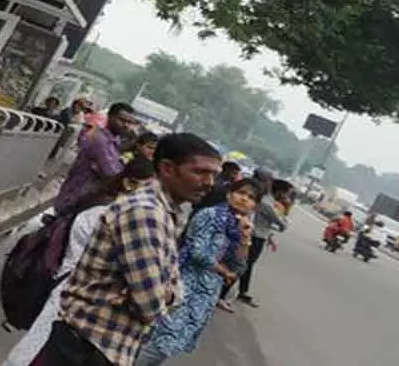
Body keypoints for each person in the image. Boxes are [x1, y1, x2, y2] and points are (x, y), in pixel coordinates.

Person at [31, 133, 222, 366]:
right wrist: (164, 291)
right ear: (168, 169)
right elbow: (150, 305)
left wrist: (160, 290)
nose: (209, 183)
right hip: (87, 348)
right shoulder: (145, 214)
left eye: (214, 175)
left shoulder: (164, 213)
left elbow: (169, 288)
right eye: (200, 172)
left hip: (99, 345)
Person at [133, 179, 262, 366]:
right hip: (186, 284)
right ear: (229, 194)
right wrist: (222, 270)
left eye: (251, 198)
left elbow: (239, 267)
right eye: (241, 193)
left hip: (205, 295)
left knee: (169, 343)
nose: (244, 199)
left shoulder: (239, 228)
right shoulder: (210, 215)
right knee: (161, 342)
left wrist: (244, 239)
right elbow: (197, 251)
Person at [3, 176, 128, 366]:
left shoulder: (100, 206)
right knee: (37, 345)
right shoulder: (105, 216)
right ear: (128, 184)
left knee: (35, 344)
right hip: (70, 293)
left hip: (66, 288)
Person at [52, 102, 141, 215]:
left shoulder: (113, 142)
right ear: (110, 117)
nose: (126, 125)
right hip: (75, 200)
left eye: (129, 122)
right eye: (122, 120)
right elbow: (112, 175)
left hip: (85, 201)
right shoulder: (100, 141)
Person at [218, 168, 286, 309]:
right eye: (269, 181)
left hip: (250, 233)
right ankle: (222, 294)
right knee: (240, 264)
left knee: (241, 264)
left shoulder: (261, 197)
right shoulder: (263, 200)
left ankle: (232, 292)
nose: (246, 199)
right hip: (252, 234)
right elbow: (280, 222)